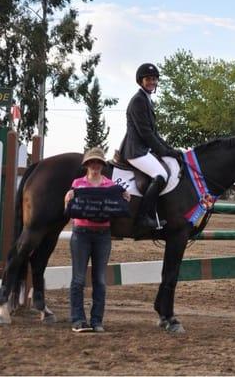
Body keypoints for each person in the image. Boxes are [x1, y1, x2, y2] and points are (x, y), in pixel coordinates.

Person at [64, 147, 130, 333]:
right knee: (78, 279)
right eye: (92, 162)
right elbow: (68, 207)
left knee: (100, 280)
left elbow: (122, 202)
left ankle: (97, 320)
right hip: (81, 234)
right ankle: (78, 320)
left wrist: (125, 197)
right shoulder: (77, 184)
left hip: (103, 236)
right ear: (87, 164)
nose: (95, 166)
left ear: (102, 165)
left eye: (98, 163)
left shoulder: (110, 186)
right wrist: (68, 198)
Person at [118, 63, 180, 228]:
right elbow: (146, 134)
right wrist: (164, 151)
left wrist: (169, 150)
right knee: (161, 175)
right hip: (135, 150)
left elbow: (155, 133)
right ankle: (143, 218)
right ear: (141, 81)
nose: (152, 82)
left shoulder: (147, 99)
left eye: (154, 79)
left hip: (143, 148)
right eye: (148, 79)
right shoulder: (138, 100)